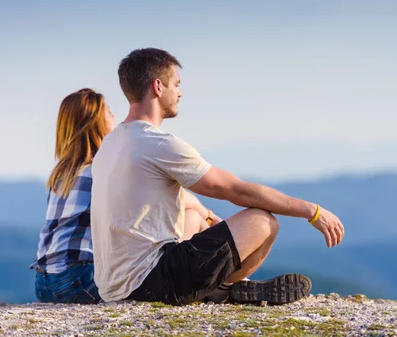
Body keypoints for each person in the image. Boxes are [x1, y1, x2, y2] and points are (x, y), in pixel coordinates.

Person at [90, 48, 345, 306]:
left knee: (194, 216)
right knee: (264, 222)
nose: (179, 93)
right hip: (151, 284)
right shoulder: (158, 144)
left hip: (112, 286)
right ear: (158, 87)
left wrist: (209, 217)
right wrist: (311, 211)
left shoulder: (111, 144)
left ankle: (217, 287)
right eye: (176, 85)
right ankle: (222, 288)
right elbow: (236, 190)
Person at [30, 88, 115, 304]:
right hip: (80, 278)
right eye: (109, 112)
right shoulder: (101, 170)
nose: (114, 116)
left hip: (43, 282)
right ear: (94, 123)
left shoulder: (59, 174)